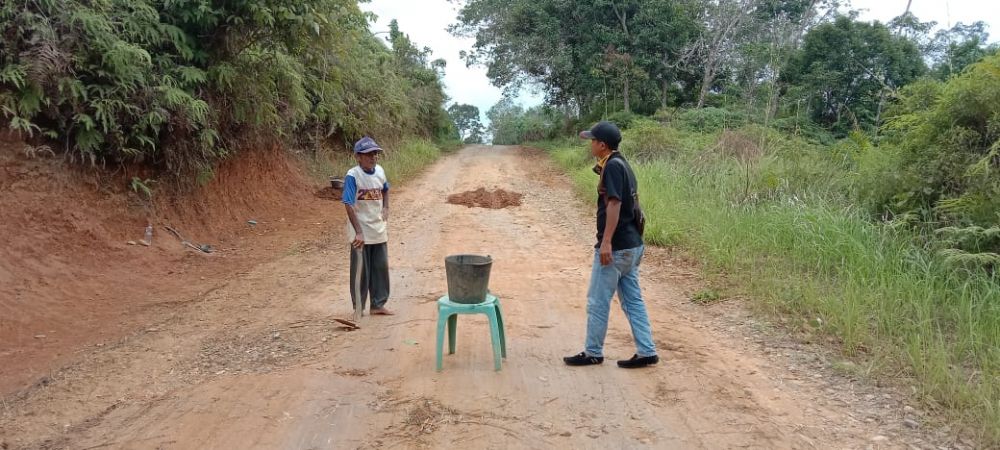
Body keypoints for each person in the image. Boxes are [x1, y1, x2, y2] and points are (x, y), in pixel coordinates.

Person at [564, 121, 658, 368]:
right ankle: (647, 350)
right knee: (633, 300)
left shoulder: (613, 167)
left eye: (592, 141)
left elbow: (614, 204)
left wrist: (605, 242)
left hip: (616, 248)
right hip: (632, 245)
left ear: (602, 145)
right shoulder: (622, 163)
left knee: (597, 300)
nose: (590, 144)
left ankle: (593, 352)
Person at [342, 136, 393, 315]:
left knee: (380, 268)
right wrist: (358, 232)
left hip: (378, 228)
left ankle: (378, 304)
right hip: (360, 230)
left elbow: (386, 189)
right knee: (360, 270)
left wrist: (386, 207)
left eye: (375, 154)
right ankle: (358, 308)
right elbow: (348, 203)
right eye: (368, 154)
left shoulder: (380, 171)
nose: (373, 157)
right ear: (358, 156)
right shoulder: (353, 175)